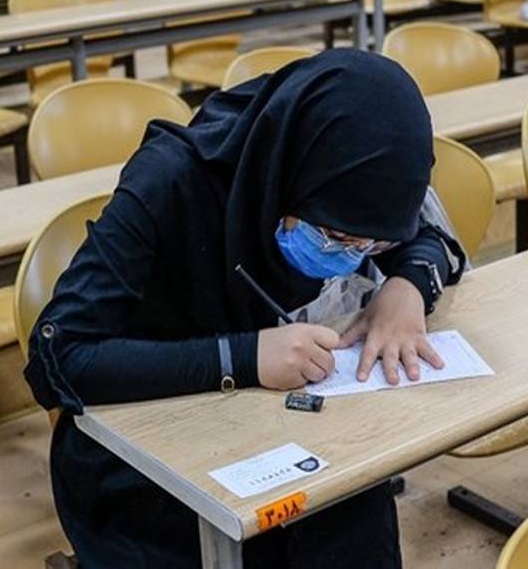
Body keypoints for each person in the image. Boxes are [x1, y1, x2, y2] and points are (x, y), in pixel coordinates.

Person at [25, 49, 465, 568]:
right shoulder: (170, 180)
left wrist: (407, 288)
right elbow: (60, 357)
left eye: (371, 245)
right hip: (149, 453)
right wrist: (244, 357)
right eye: (335, 236)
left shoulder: (355, 172)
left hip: (285, 430)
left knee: (355, 510)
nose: (352, 255)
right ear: (288, 170)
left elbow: (428, 238)